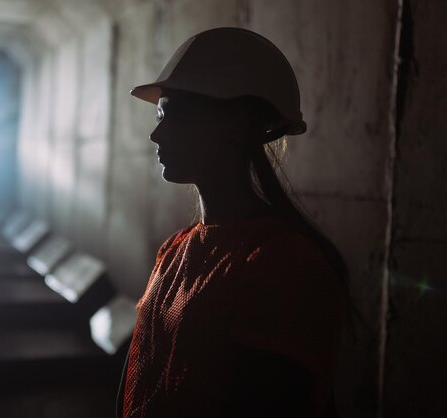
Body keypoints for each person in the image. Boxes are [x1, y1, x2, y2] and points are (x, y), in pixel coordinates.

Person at [117, 27, 348, 418]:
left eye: (177, 115)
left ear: (237, 126)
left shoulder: (283, 264)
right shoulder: (175, 250)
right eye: (159, 116)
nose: (156, 134)